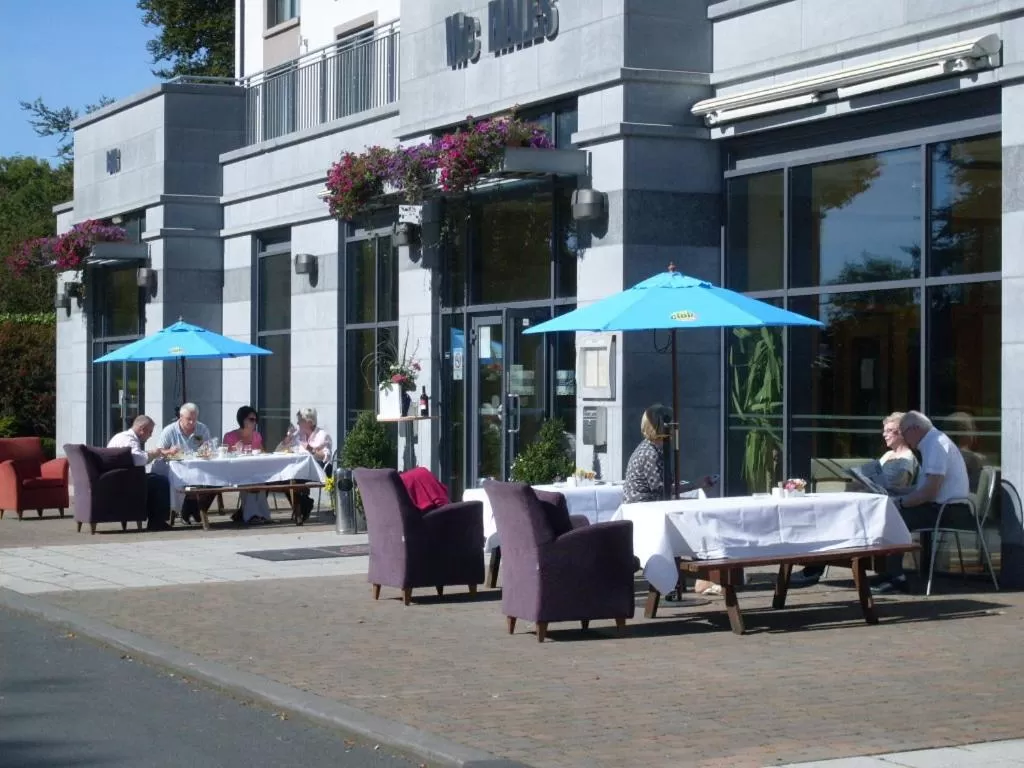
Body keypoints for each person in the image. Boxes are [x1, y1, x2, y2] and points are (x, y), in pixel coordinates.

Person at [791, 412, 918, 587]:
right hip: (871, 504)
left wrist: (866, 485)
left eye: (890, 430)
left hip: (884, 509)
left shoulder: (906, 460)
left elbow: (893, 489)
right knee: (829, 518)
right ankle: (813, 568)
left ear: (902, 433)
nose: (884, 434)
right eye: (884, 430)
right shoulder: (888, 455)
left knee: (834, 522)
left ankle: (813, 569)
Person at [871, 410, 970, 595]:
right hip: (943, 507)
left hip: (948, 511)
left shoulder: (935, 445)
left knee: (893, 517)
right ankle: (887, 572)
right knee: (890, 513)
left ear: (915, 429)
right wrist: (898, 492)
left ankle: (897, 579)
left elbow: (929, 492)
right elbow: (924, 488)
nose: (905, 438)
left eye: (904, 432)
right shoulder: (933, 442)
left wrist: (900, 503)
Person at [623, 404, 718, 596]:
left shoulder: (652, 449)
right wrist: (696, 485)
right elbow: (661, 488)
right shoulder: (651, 453)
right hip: (646, 511)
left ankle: (700, 576)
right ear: (662, 426)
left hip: (647, 507)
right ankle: (703, 576)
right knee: (697, 524)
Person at [107, 415, 176, 531]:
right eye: (150, 432)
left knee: (154, 479)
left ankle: (155, 519)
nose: (150, 435)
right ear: (141, 429)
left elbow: (135, 455)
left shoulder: (120, 436)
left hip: (118, 478)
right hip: (127, 481)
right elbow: (139, 460)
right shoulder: (130, 440)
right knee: (161, 481)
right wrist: (153, 454)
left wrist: (150, 453)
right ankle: (157, 521)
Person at [159, 403, 213, 525]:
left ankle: (195, 510)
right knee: (183, 481)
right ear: (180, 417)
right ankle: (190, 511)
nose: (192, 423)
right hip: (177, 468)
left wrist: (206, 450)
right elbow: (160, 451)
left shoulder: (202, 429)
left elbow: (208, 447)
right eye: (188, 419)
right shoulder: (169, 431)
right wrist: (169, 451)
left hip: (199, 467)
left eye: (194, 419)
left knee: (216, 481)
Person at [278, 407, 333, 522]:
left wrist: (309, 448)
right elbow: (280, 449)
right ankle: (304, 504)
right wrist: (288, 438)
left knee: (293, 478)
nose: (297, 423)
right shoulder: (298, 434)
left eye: (300, 421)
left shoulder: (322, 435)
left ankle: (302, 507)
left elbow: (325, 457)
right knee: (284, 478)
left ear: (309, 422)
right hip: (300, 468)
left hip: (319, 468)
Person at [223, 406, 271, 524]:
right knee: (250, 481)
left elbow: (262, 452)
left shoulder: (256, 436)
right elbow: (224, 456)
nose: (254, 422)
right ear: (242, 420)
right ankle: (252, 515)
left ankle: (262, 514)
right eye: (251, 419)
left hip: (255, 471)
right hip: (236, 472)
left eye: (255, 419)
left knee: (259, 480)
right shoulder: (230, 436)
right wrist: (234, 449)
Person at [943, 411, 985, 492]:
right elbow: (974, 491)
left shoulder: (938, 456)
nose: (975, 432)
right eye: (972, 428)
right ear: (966, 432)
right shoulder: (973, 460)